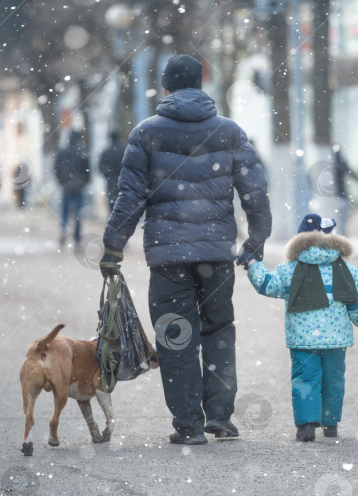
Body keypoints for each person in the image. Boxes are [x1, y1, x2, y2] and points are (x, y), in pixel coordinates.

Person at [99, 54, 272, 445]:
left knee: (175, 338)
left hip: (168, 258)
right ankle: (221, 419)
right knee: (218, 331)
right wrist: (256, 239)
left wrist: (112, 248)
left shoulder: (146, 134)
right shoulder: (229, 132)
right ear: (202, 81)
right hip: (216, 257)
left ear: (165, 87)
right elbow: (255, 192)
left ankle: (189, 425)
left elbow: (129, 198)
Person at [244, 214, 358, 442]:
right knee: (333, 380)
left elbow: (267, 286)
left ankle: (306, 427)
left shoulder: (289, 269)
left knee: (305, 381)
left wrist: (253, 264)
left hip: (303, 341)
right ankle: (331, 423)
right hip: (336, 340)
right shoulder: (346, 269)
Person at [54, 131, 91, 250]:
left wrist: (61, 181)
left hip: (66, 186)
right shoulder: (82, 152)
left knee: (65, 210)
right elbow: (87, 169)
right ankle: (77, 238)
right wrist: (85, 181)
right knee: (78, 213)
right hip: (79, 186)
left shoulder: (62, 152)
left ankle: (63, 229)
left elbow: (56, 168)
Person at [331, 144, 358, 235]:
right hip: (341, 195)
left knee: (336, 219)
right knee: (342, 219)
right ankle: (342, 238)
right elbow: (350, 172)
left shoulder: (328, 162)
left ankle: (338, 237)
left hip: (331, 197)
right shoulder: (341, 162)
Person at [98, 131, 126, 212]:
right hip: (124, 181)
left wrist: (107, 175)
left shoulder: (106, 152)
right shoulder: (124, 150)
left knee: (112, 204)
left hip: (111, 181)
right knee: (123, 203)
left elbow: (100, 167)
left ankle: (114, 222)